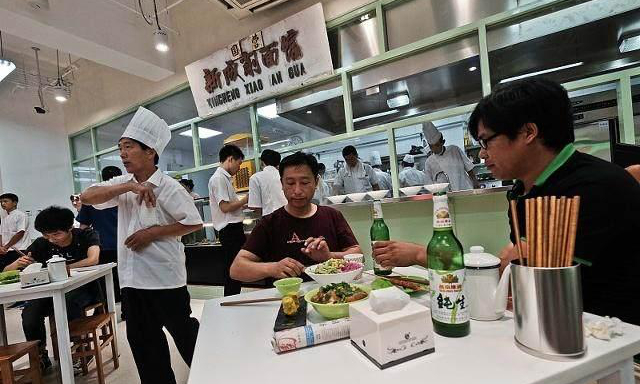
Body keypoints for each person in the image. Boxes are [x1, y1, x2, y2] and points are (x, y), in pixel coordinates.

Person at [80, 107, 203, 384]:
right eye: (120, 148)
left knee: (186, 336)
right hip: (133, 284)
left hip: (165, 280)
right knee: (145, 348)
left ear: (150, 152)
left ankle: (216, 375)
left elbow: (193, 223)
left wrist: (154, 233)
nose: (122, 154)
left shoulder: (169, 187)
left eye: (129, 147)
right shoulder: (122, 183)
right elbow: (87, 196)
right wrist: (129, 188)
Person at [230, 152, 362, 282]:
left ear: (316, 182)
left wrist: (328, 256)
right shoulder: (269, 223)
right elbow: (236, 270)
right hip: (288, 299)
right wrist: (272, 268)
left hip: (333, 296)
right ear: (281, 184)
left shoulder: (332, 215)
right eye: (290, 183)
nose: (297, 191)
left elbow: (358, 254)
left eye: (304, 182)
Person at [3, 206, 101, 371]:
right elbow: (7, 272)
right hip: (51, 294)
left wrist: (66, 268)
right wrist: (16, 264)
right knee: (30, 312)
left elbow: (93, 259)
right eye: (46, 235)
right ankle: (40, 355)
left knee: (69, 304)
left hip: (84, 289)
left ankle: (81, 348)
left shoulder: (85, 236)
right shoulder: (42, 243)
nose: (51, 240)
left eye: (56, 234)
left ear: (69, 228)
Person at [76, 166, 122, 305]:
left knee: (107, 279)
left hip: (101, 246)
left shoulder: (92, 199)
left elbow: (83, 226)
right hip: (125, 244)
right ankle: (127, 310)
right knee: (126, 278)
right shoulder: (124, 195)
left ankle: (109, 306)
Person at [208, 144, 248, 296]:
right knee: (234, 268)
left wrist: (242, 206)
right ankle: (231, 299)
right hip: (229, 231)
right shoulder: (218, 179)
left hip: (233, 229)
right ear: (230, 159)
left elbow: (229, 206)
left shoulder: (224, 178)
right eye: (239, 163)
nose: (239, 168)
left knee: (237, 267)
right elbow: (224, 207)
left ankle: (233, 297)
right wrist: (244, 200)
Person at [422, 122, 479, 191]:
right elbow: (429, 183)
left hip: (465, 189)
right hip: (446, 195)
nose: (434, 149)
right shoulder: (429, 162)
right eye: (431, 146)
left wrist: (475, 182)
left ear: (443, 142)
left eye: (437, 145)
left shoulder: (454, 150)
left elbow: (469, 167)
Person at [248, 149, 287, 216]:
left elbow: (254, 206)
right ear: (278, 163)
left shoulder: (255, 178)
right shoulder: (285, 175)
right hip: (288, 215)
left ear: (262, 162)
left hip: (270, 219)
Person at [0, 193, 30, 269]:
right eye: (1, 202)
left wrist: (6, 246)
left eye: (5, 201)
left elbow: (20, 233)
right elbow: (1, 234)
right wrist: (1, 247)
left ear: (14, 203)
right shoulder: (4, 217)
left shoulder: (20, 215)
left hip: (19, 250)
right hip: (6, 251)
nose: (2, 203)